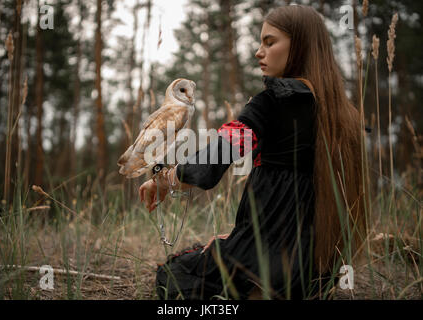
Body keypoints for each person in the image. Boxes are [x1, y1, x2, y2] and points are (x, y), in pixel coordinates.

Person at [139, 5, 367, 300]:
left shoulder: (272, 102)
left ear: (299, 45)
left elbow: (217, 156)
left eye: (270, 42)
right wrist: (238, 237)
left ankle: (254, 291)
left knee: (174, 274)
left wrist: (164, 179)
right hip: (317, 273)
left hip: (263, 264)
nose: (259, 52)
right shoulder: (343, 114)